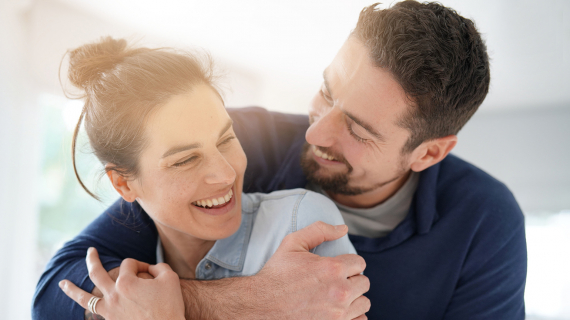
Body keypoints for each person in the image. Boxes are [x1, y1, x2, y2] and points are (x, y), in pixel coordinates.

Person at [33, 1, 527, 319]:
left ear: (429, 152)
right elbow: (59, 289)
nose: (315, 130)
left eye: (356, 128)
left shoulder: (484, 220)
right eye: (326, 92)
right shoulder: (238, 142)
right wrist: (246, 302)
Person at [33, 37, 366, 319]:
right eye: (186, 159)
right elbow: (49, 297)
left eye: (225, 140)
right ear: (123, 184)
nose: (226, 172)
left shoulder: (302, 224)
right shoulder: (128, 284)